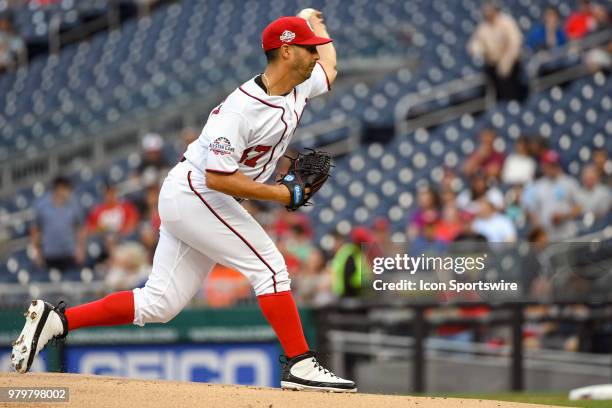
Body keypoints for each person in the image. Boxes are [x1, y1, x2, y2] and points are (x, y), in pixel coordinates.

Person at [11, 11, 356, 392]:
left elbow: (332, 66)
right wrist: (282, 194)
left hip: (200, 199)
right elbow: (217, 176)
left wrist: (315, 24)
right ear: (287, 52)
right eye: (308, 49)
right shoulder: (243, 108)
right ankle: (300, 364)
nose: (315, 55)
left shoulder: (298, 87)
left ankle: (57, 321)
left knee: (160, 303)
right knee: (271, 268)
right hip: (196, 193)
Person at [467, 3, 526, 101]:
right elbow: (473, 45)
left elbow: (516, 43)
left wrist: (506, 61)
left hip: (511, 67)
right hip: (493, 67)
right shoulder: (483, 27)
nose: (486, 11)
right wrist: (477, 48)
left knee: (513, 93)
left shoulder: (506, 22)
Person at [522, 150, 582, 240]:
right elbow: (532, 211)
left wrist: (564, 215)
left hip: (567, 234)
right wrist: (539, 230)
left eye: (554, 165)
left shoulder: (569, 183)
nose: (552, 168)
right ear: (543, 166)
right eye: (549, 165)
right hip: (547, 237)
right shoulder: (538, 186)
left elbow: (579, 207)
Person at [30, 176, 86, 272]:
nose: (68, 192)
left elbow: (81, 228)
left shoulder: (74, 204)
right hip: (49, 254)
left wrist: (80, 248)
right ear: (59, 188)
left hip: (70, 253)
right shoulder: (42, 205)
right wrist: (37, 252)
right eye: (66, 189)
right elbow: (35, 230)